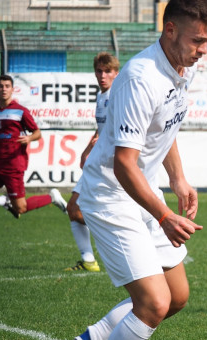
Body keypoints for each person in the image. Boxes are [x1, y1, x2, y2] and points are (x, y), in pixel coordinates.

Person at [43, 1, 207, 340]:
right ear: (170, 30)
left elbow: (166, 127)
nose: (203, 51)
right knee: (153, 302)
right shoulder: (141, 77)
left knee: (176, 297)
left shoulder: (184, 66)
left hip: (144, 190)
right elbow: (124, 163)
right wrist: (163, 214)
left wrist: (178, 179)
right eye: (198, 40)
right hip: (110, 194)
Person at [64, 52, 119, 272]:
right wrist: (87, 150)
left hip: (110, 165)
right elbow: (101, 129)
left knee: (78, 209)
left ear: (116, 73)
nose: (103, 75)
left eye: (108, 71)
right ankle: (88, 260)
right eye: (99, 71)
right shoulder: (101, 95)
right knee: (73, 209)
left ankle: (127, 233)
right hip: (98, 161)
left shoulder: (117, 95)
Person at [0, 74, 67, 217]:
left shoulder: (21, 111)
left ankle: (52, 197)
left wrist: (29, 138)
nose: (4, 89)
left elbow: (37, 132)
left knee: (21, 208)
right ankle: (2, 202)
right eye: (1, 86)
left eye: (7, 86)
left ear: (12, 89)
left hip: (13, 166)